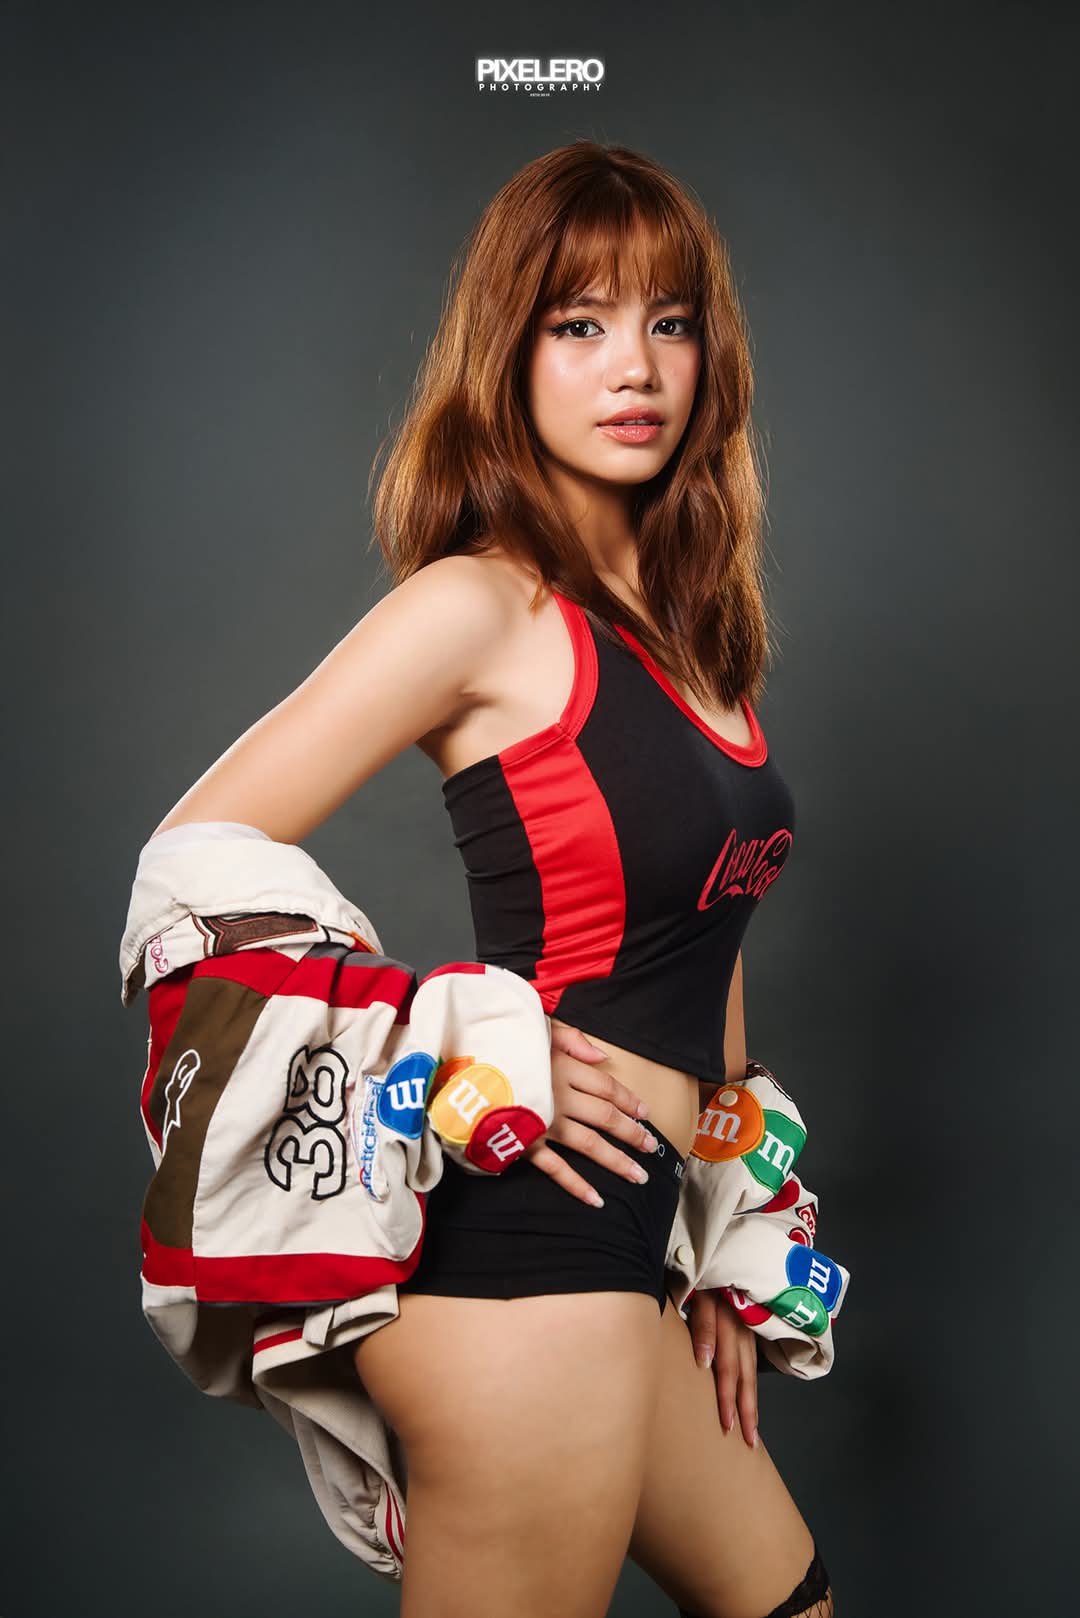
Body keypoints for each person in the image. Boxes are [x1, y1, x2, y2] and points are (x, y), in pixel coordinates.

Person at [150, 140, 834, 1618]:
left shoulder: (694, 639)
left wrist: (728, 1236)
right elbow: (190, 861)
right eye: (579, 324)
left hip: (634, 1250)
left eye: (668, 321)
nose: (634, 366)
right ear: (508, 358)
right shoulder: (479, 606)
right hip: (522, 1248)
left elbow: (699, 946)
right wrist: (443, 1032)